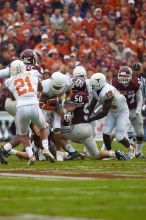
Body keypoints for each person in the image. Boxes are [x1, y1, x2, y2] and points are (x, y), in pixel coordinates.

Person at [0, 60, 55, 165]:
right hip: (34, 105)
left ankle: (31, 156)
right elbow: (40, 88)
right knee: (43, 127)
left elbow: (11, 97)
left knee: (23, 135)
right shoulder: (33, 73)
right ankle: (46, 149)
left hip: (20, 107)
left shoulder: (9, 81)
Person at [61, 77, 129, 161]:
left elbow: (67, 109)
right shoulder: (85, 95)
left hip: (77, 127)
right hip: (88, 129)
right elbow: (91, 106)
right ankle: (115, 153)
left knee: (55, 134)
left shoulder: (74, 96)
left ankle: (72, 152)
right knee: (96, 155)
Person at [88, 72, 135, 159]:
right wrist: (87, 115)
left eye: (94, 84)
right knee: (105, 133)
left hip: (122, 112)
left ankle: (131, 149)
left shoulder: (108, 91)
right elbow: (92, 105)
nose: (92, 86)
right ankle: (109, 153)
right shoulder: (95, 90)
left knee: (119, 136)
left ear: (99, 83)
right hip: (112, 111)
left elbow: (104, 112)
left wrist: (91, 119)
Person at [112, 66, 145, 158]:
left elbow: (139, 98)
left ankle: (138, 152)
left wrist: (138, 111)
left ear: (131, 76)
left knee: (140, 133)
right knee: (112, 131)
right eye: (121, 76)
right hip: (120, 109)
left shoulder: (136, 83)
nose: (123, 79)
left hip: (132, 109)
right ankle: (105, 150)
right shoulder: (114, 82)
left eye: (126, 76)